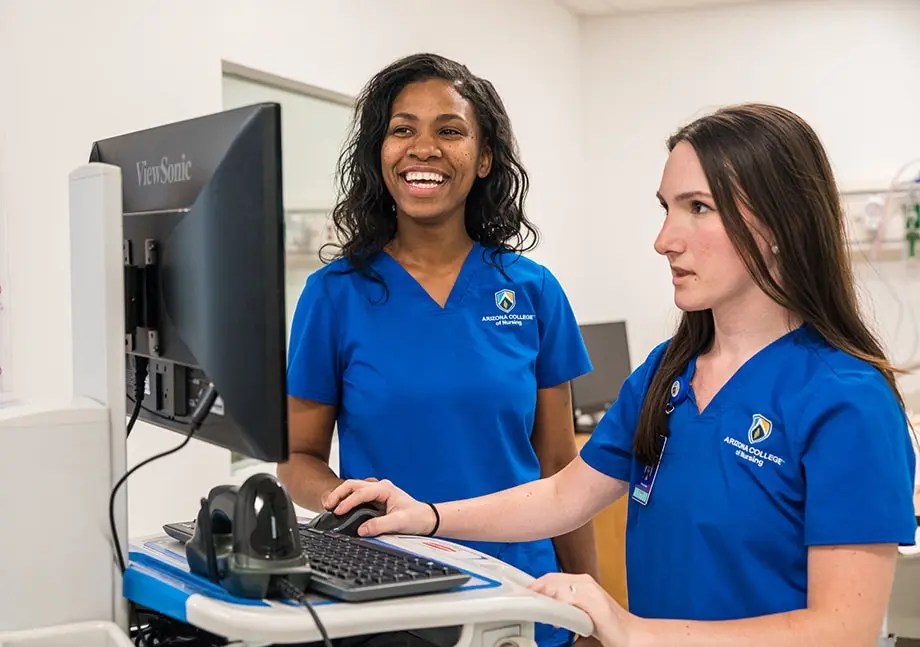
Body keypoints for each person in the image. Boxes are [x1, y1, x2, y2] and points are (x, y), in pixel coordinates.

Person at [321, 103, 918, 647]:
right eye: (666, 209)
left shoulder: (847, 402)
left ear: (782, 225)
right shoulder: (668, 372)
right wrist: (426, 515)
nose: (664, 240)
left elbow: (843, 630)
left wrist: (633, 631)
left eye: (698, 208)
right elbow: (563, 495)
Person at [278, 53, 597, 647]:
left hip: (520, 591)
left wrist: (588, 611)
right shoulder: (334, 296)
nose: (423, 147)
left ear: (483, 160)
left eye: (449, 131)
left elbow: (559, 467)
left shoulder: (533, 291)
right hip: (387, 589)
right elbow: (297, 456)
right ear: (381, 154)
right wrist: (346, 502)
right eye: (403, 130)